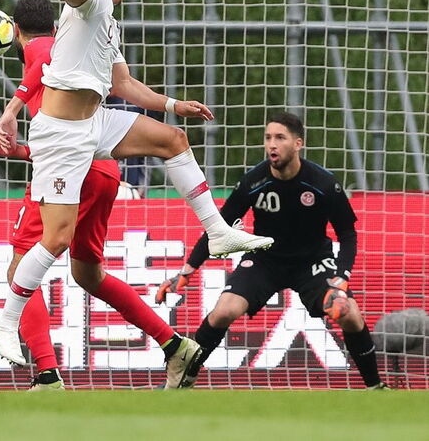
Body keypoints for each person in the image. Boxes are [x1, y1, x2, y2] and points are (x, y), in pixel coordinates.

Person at [0, 0, 274, 367]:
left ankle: (217, 232)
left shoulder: (108, 23)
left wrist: (174, 105)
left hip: (95, 122)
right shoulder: (94, 1)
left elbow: (123, 85)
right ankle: (6, 323)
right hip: (62, 135)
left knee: (173, 139)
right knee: (56, 239)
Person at [0, 0, 201, 390]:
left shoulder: (41, 50)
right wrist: (19, 151)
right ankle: (174, 345)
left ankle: (47, 375)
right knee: (88, 274)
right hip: (102, 169)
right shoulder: (68, 56)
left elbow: (43, 62)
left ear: (15, 31)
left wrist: (11, 109)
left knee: (21, 265)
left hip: (73, 168)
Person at [156, 112, 388, 389]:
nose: (272, 145)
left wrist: (341, 278)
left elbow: (347, 234)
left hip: (312, 261)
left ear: (298, 144)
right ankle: (184, 379)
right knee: (224, 311)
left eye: (280, 138)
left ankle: (375, 386)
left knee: (349, 313)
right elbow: (218, 228)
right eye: (268, 138)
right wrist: (187, 272)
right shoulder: (253, 181)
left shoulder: (323, 183)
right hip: (265, 258)